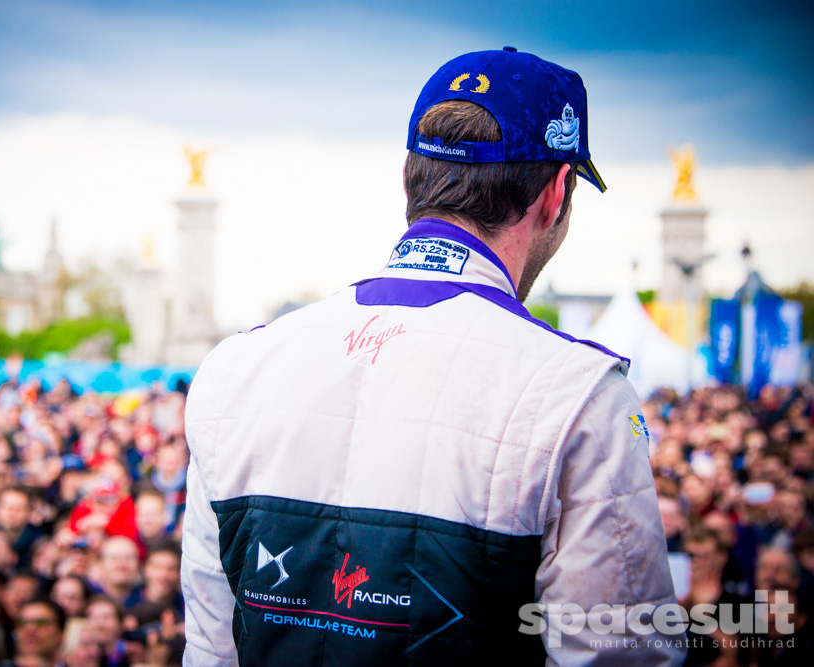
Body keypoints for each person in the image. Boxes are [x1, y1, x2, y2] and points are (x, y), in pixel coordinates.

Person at [181, 47, 684, 664]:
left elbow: (210, 648)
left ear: (408, 179)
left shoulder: (236, 369)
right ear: (557, 194)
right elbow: (620, 656)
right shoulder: (577, 392)